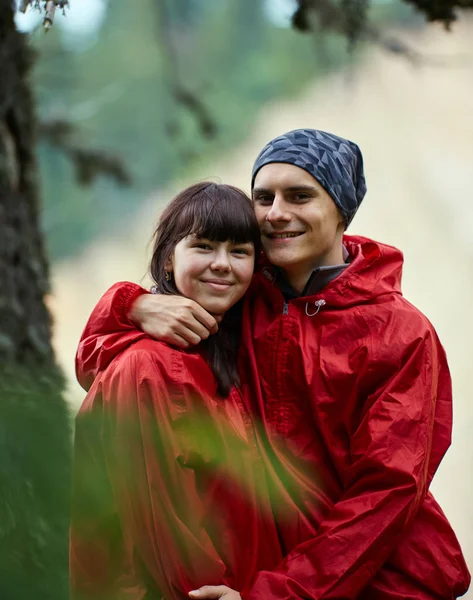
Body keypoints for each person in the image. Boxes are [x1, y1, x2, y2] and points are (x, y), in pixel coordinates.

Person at [75, 130, 470, 600]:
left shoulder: (400, 334)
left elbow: (386, 493)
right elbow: (98, 361)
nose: (276, 213)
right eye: (264, 198)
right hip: (261, 572)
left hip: (383, 583)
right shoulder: (242, 296)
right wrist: (133, 306)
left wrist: (280, 594)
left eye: (299, 196)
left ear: (341, 210)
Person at [70, 182, 285, 600]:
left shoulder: (230, 352)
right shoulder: (149, 368)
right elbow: (165, 527)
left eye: (239, 251)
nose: (222, 264)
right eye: (204, 247)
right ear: (169, 259)